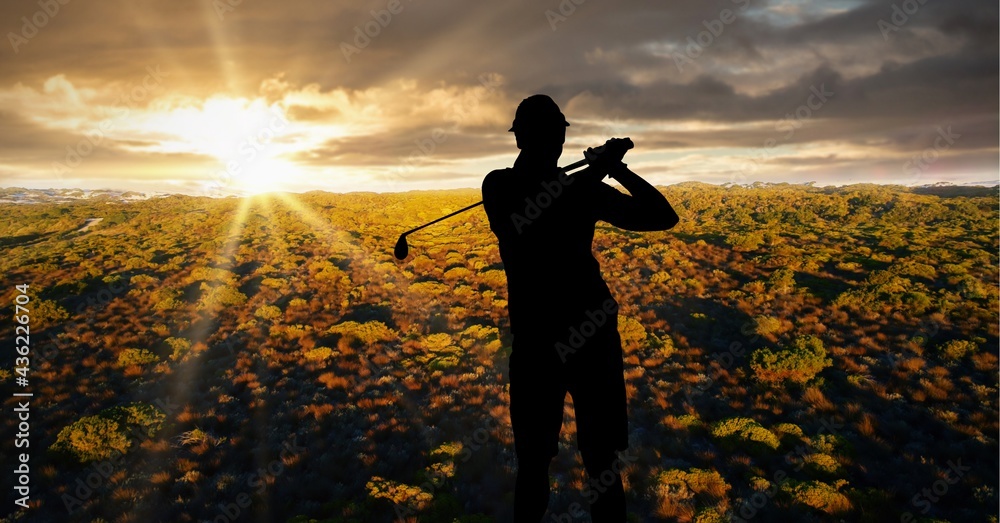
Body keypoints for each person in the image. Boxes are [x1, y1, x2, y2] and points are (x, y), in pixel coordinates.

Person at [481, 94, 679, 522]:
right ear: (559, 139)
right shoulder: (558, 188)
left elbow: (663, 216)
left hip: (538, 344)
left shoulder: (499, 185)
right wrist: (610, 169)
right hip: (590, 337)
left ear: (518, 139)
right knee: (601, 463)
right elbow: (661, 215)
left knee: (536, 464)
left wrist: (606, 170)